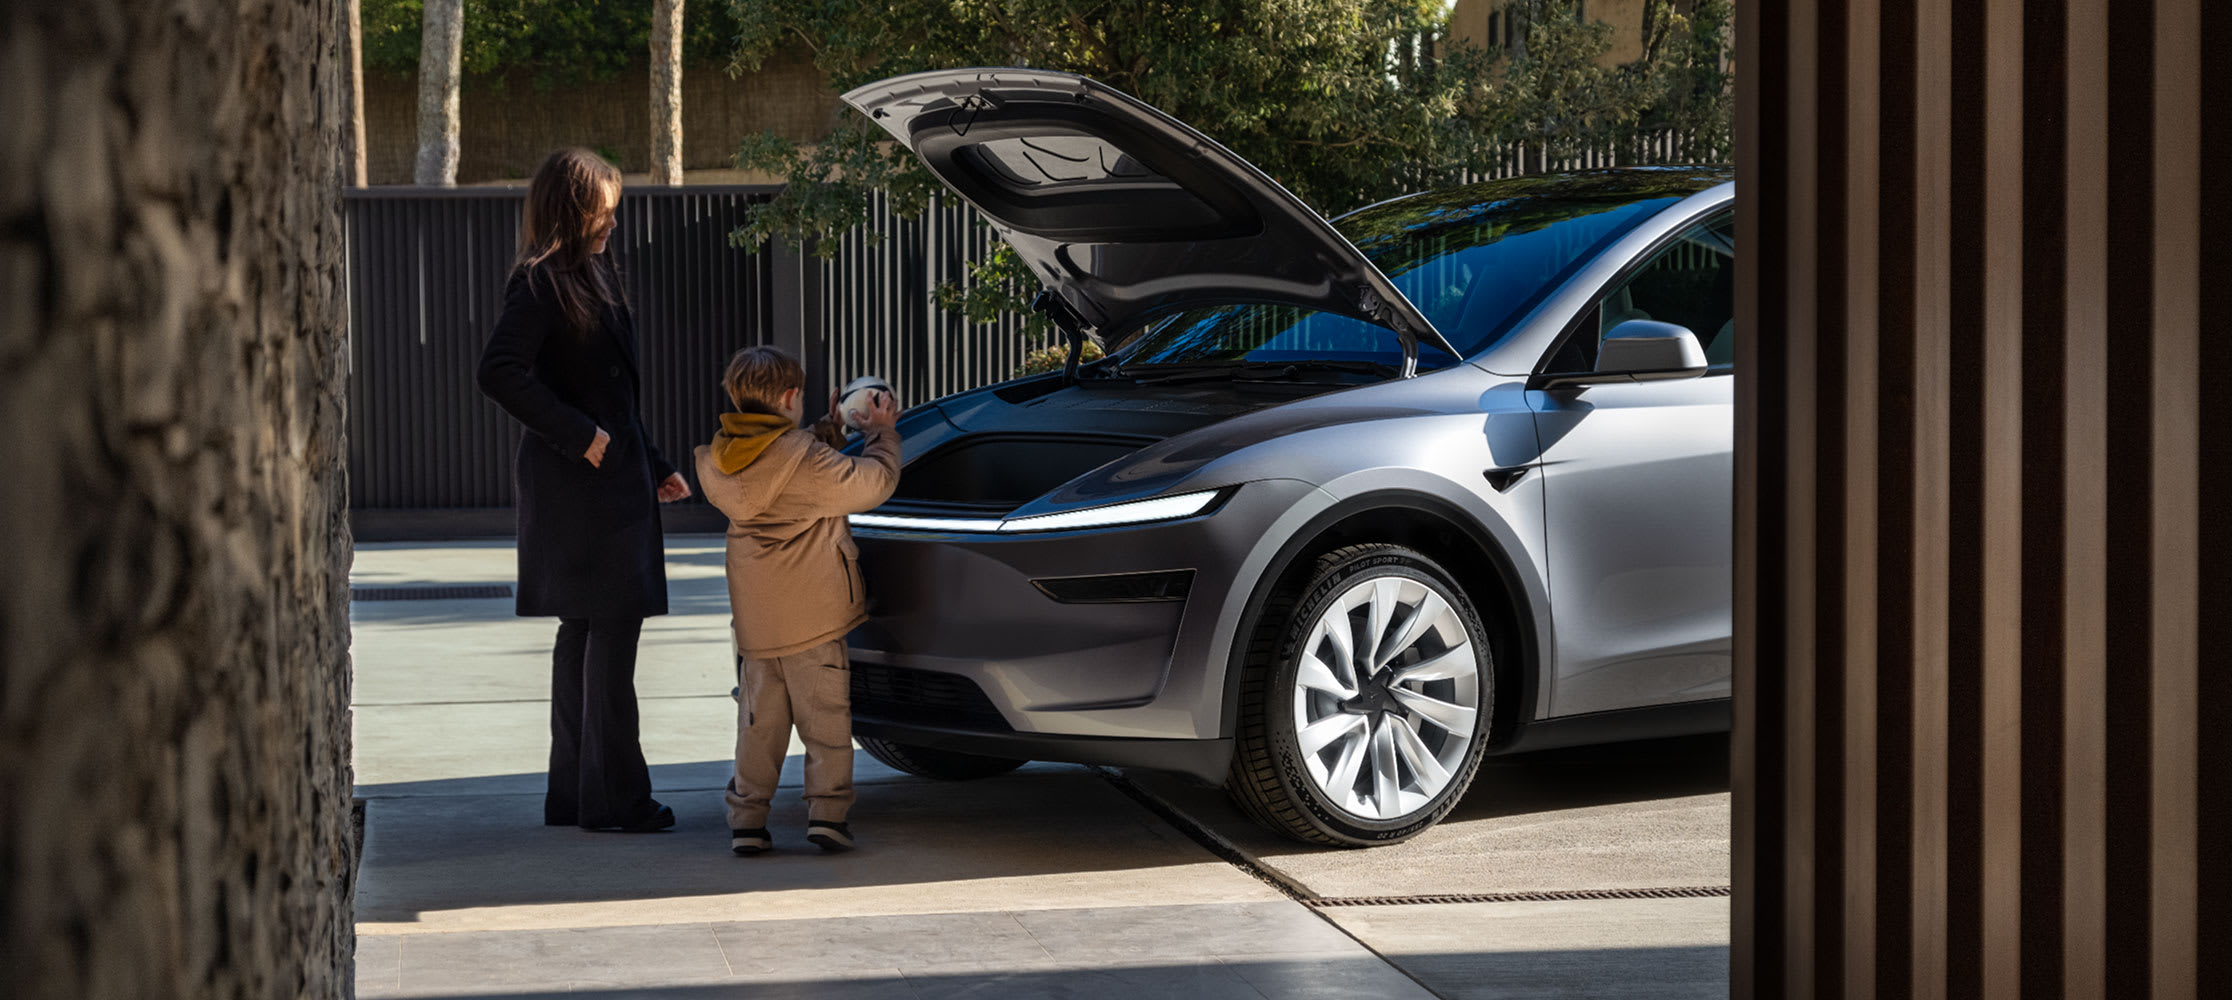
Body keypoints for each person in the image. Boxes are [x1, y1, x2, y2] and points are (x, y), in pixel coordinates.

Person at [476, 148, 692, 833]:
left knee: (584, 631)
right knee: (608, 631)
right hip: (583, 490)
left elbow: (613, 391)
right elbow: (498, 371)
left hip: (608, 481)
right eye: (603, 207)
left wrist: (654, 461)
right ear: (572, 208)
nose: (612, 221)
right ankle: (615, 801)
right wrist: (582, 437)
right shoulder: (540, 283)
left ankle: (573, 795)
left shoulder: (589, 276)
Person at [694, 346, 899, 855]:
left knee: (758, 727)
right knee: (825, 722)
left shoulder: (724, 458)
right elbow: (872, 483)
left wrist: (829, 430)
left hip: (758, 627)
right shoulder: (807, 461)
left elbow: (786, 460)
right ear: (790, 397)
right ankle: (827, 816)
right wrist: (881, 433)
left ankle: (747, 820)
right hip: (814, 621)